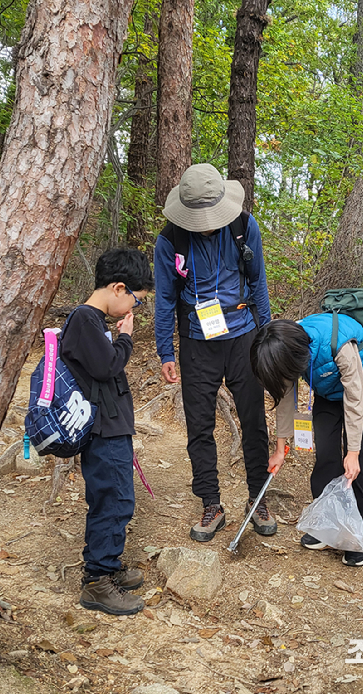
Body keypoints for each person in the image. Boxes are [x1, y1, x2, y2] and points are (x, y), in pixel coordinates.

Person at [154, 163, 277, 542]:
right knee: (199, 426)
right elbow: (164, 298)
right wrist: (165, 351)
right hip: (196, 341)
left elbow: (258, 283)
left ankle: (257, 499)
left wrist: (267, 336)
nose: (205, 223)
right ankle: (211, 502)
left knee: (253, 420)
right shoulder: (170, 240)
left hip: (243, 336)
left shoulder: (243, 227)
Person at [250, 312, 363, 567]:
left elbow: (355, 398)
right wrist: (280, 449)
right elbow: (285, 399)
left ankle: (359, 526)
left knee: (356, 457)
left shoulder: (338, 345)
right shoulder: (286, 347)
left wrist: (353, 452)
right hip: (327, 389)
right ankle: (326, 520)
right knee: (325, 450)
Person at [60, 248, 154, 615]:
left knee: (115, 498)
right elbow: (107, 366)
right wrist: (126, 337)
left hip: (109, 426)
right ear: (118, 288)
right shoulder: (85, 319)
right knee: (113, 502)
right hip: (102, 430)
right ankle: (98, 581)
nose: (135, 308)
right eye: (135, 300)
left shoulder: (91, 321)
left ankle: (107, 566)